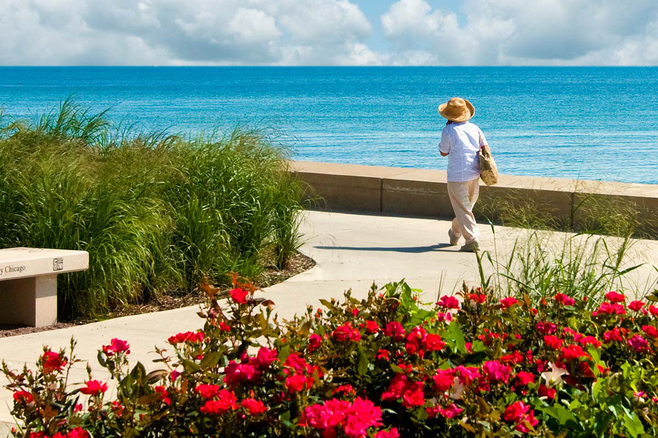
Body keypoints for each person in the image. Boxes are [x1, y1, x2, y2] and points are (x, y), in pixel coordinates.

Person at [438, 97, 487, 252]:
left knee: (463, 208)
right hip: (474, 173)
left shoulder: (448, 130)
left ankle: (472, 239)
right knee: (466, 208)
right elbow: (485, 147)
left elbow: (443, 152)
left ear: (448, 116)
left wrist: (448, 130)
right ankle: (455, 233)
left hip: (456, 176)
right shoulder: (475, 128)